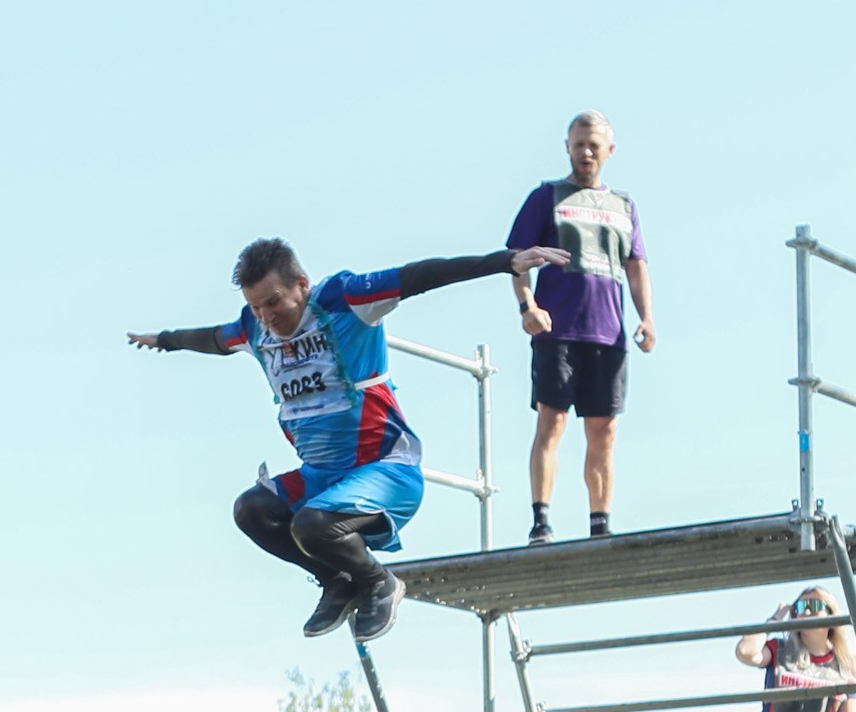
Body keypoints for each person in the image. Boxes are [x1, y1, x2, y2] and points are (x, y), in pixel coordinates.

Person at [129, 232, 567, 642]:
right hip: (322, 477)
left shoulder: (348, 300)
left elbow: (421, 275)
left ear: (301, 284)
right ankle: (336, 580)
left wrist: (505, 262)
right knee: (251, 510)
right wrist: (164, 340)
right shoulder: (254, 328)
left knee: (311, 525)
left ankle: (379, 582)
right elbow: (210, 338)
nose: (268, 317)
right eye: (257, 307)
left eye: (275, 302)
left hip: (385, 469)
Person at [505, 112, 655, 543]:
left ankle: (600, 523)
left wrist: (646, 318)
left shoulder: (624, 206)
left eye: (594, 145)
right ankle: (541, 520)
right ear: (566, 146)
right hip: (557, 330)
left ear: (609, 149)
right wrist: (526, 306)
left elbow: (636, 265)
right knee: (551, 422)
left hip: (608, 333)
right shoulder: (546, 197)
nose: (586, 152)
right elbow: (518, 258)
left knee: (603, 431)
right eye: (578, 144)